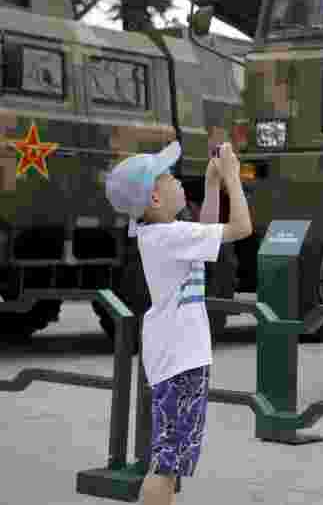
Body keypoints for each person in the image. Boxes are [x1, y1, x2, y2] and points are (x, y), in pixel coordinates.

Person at [104, 140, 252, 504]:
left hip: (175, 355)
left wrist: (213, 185)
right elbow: (241, 227)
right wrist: (234, 178)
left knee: (170, 460)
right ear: (154, 198)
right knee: (168, 464)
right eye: (168, 176)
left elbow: (206, 234)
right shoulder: (168, 235)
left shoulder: (163, 234)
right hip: (180, 359)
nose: (176, 180)